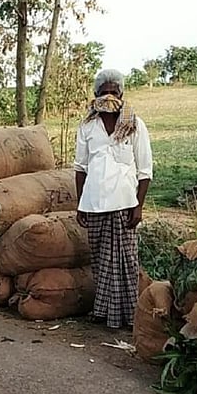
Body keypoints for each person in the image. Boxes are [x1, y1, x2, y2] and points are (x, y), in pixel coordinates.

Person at [73, 69, 153, 330]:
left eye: (113, 92)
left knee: (126, 260)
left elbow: (145, 170)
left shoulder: (134, 124)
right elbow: (80, 168)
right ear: (96, 95)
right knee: (100, 260)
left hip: (125, 203)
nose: (109, 97)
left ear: (121, 94)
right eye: (104, 92)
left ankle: (129, 316)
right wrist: (80, 204)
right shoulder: (87, 126)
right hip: (94, 203)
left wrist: (138, 206)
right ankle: (103, 311)